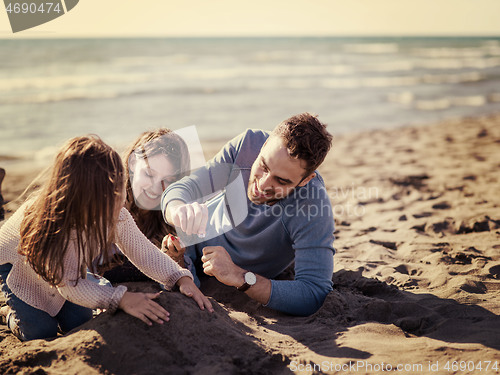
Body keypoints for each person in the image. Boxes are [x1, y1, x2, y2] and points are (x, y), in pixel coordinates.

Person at [0, 135, 212, 341]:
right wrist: (120, 298)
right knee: (40, 330)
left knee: (79, 320)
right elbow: (68, 286)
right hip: (19, 264)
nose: (121, 195)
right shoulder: (54, 225)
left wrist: (179, 276)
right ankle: (8, 315)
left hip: (64, 269)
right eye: (110, 191)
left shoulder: (115, 211)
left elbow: (143, 252)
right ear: (84, 197)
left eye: (119, 184)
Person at [162, 113, 334, 316]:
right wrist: (178, 211)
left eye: (281, 181)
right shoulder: (247, 145)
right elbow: (185, 188)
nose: (262, 185)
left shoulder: (312, 204)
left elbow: (313, 293)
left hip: (232, 277)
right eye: (263, 166)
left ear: (305, 180)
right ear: (264, 145)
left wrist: (239, 276)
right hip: (187, 245)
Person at [102, 129, 190, 282]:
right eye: (149, 174)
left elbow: (191, 280)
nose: (156, 189)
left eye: (168, 180)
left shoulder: (176, 214)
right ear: (133, 163)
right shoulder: (106, 202)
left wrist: (175, 260)